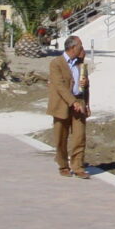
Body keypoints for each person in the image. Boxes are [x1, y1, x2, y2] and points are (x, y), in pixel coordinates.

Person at [47, 35, 90, 179]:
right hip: (62, 104)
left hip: (79, 102)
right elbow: (59, 86)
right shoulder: (56, 63)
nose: (83, 49)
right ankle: (63, 165)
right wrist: (73, 102)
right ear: (73, 47)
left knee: (79, 136)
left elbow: (85, 85)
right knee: (61, 136)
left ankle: (78, 166)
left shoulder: (81, 63)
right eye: (80, 46)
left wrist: (86, 102)